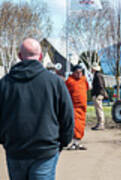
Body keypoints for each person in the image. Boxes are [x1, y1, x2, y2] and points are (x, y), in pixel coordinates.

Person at [0, 38, 74, 180]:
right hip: (45, 150)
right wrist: (63, 142)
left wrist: (5, 141)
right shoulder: (55, 82)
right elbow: (67, 117)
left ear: (20, 56)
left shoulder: (4, 84)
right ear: (40, 56)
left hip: (16, 149)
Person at [66, 65, 89, 150]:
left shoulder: (83, 79)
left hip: (83, 107)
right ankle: (74, 142)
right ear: (73, 73)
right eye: (77, 72)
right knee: (76, 125)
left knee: (81, 125)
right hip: (74, 107)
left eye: (81, 72)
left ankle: (78, 142)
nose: (79, 74)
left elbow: (86, 89)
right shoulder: (69, 81)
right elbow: (65, 93)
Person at [91, 62, 108, 130]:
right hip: (99, 93)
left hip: (98, 94)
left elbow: (100, 85)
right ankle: (99, 123)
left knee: (99, 109)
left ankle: (101, 123)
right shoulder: (99, 75)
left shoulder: (97, 75)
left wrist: (98, 94)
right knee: (98, 109)